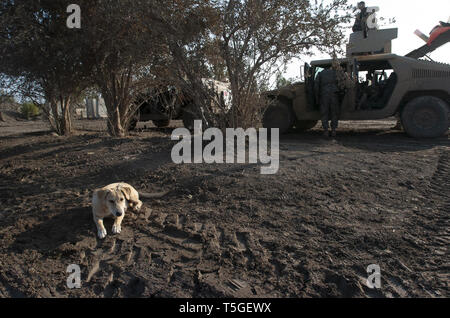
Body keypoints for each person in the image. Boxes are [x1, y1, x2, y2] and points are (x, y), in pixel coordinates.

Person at [316, 62, 342, 138]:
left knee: (324, 113)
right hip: (334, 94)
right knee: (334, 112)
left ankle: (326, 131)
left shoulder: (320, 74)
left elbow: (316, 86)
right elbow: (340, 84)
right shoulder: (335, 73)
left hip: (324, 95)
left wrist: (317, 96)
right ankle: (333, 130)